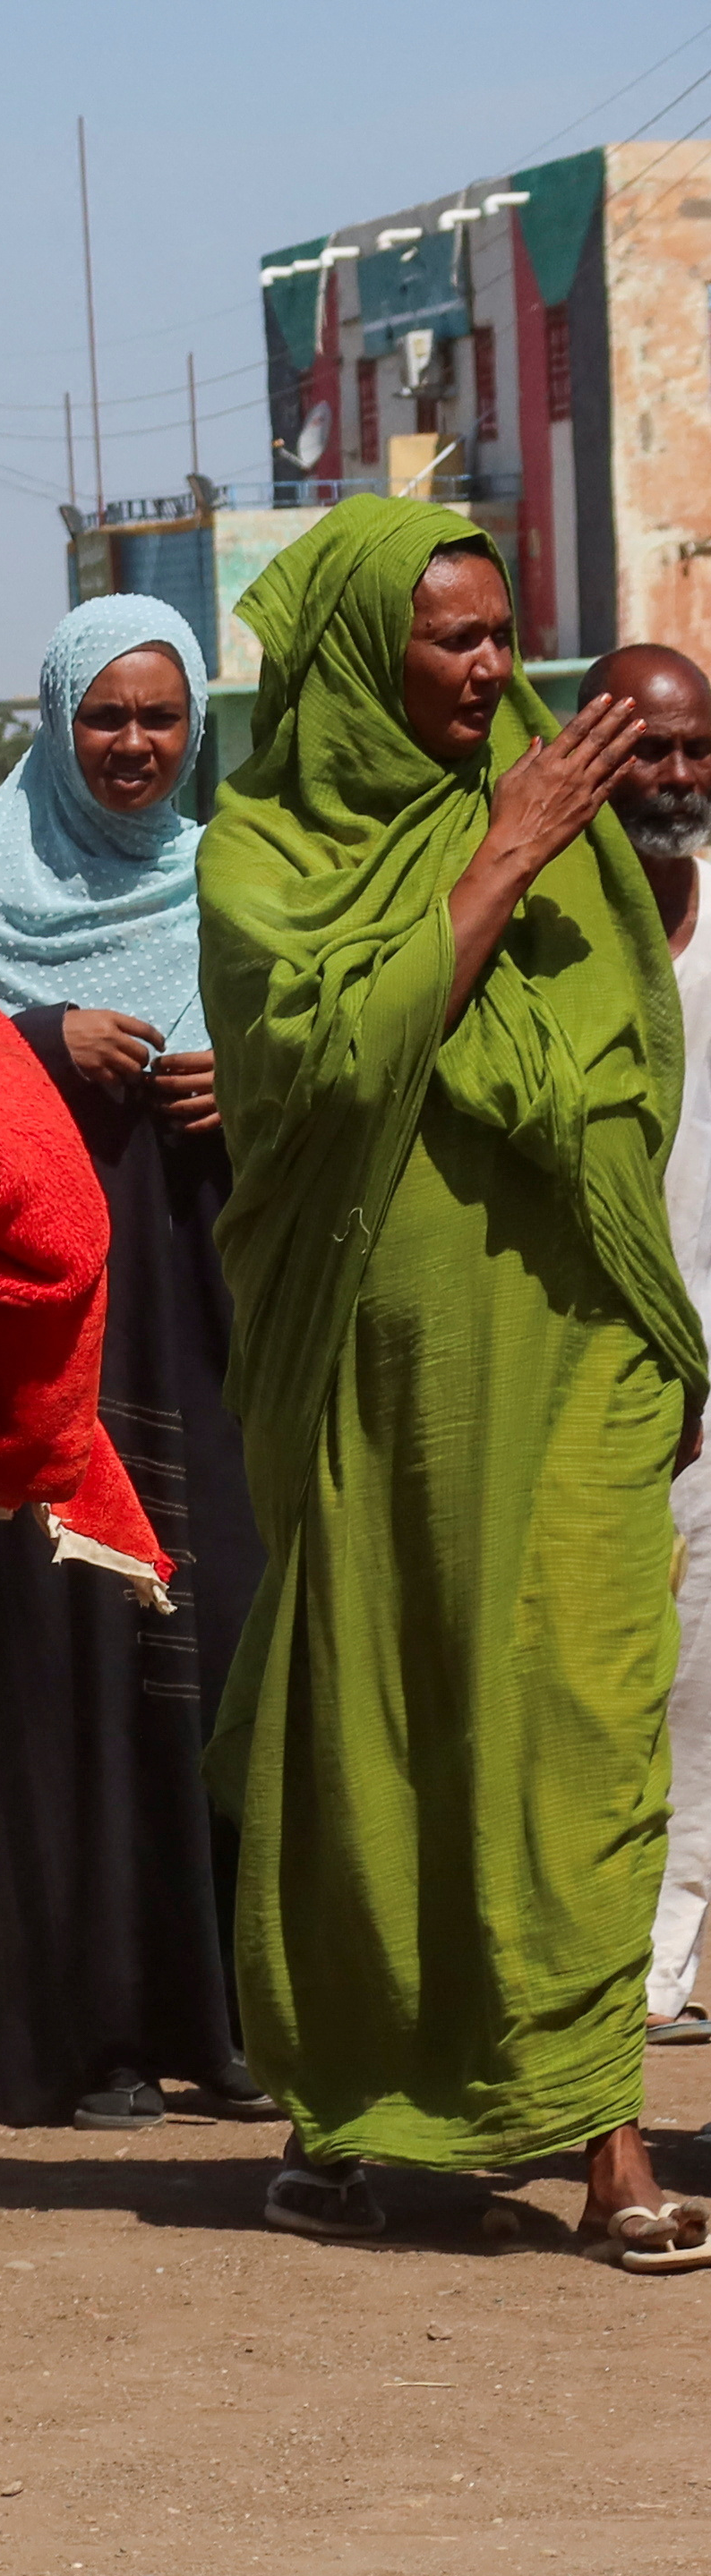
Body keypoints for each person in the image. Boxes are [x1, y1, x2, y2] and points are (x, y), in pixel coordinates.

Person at [206, 509, 709, 2267]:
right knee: (380, 1727)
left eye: (505, 636)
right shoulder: (260, 852)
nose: (497, 673)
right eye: (458, 645)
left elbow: (633, 1062)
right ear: (363, 652)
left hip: (573, 1362)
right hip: (371, 1373)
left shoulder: (555, 806)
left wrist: (648, 1303)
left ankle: (609, 2146)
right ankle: (348, 2115)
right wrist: (498, 857)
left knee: (581, 1718)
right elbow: (329, 1066)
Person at [0, 594, 265, 2134]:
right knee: (64, 1670)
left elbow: (328, 1071)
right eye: (102, 717)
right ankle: (80, 2032)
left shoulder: (237, 888)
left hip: (206, 1328)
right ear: (55, 720)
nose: (132, 745)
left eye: (157, 717)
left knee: (217, 1651)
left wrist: (244, 1084)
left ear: (194, 725)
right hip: (34, 1344)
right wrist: (36, 1034)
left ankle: (234, 2018)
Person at [603, 647, 711, 2042]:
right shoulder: (545, 935)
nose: (677, 780)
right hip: (599, 1367)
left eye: (695, 752)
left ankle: (671, 1949)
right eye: (647, 751)